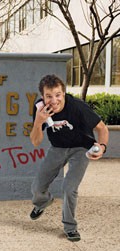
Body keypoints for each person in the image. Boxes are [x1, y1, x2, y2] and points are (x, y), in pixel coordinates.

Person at [29, 74, 109, 242]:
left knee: (69, 187)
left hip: (81, 148)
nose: (54, 100)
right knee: (37, 189)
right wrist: (38, 122)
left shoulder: (78, 107)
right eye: (49, 96)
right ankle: (43, 202)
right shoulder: (42, 110)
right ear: (43, 97)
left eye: (58, 95)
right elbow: (35, 142)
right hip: (57, 148)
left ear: (63, 93)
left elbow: (102, 128)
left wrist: (102, 147)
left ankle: (70, 227)